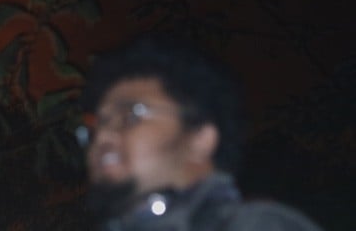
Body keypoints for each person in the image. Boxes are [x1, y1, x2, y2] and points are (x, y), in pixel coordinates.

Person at [76, 34, 323, 231]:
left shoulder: (256, 225)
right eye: (97, 127)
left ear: (200, 140)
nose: (103, 137)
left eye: (130, 116)